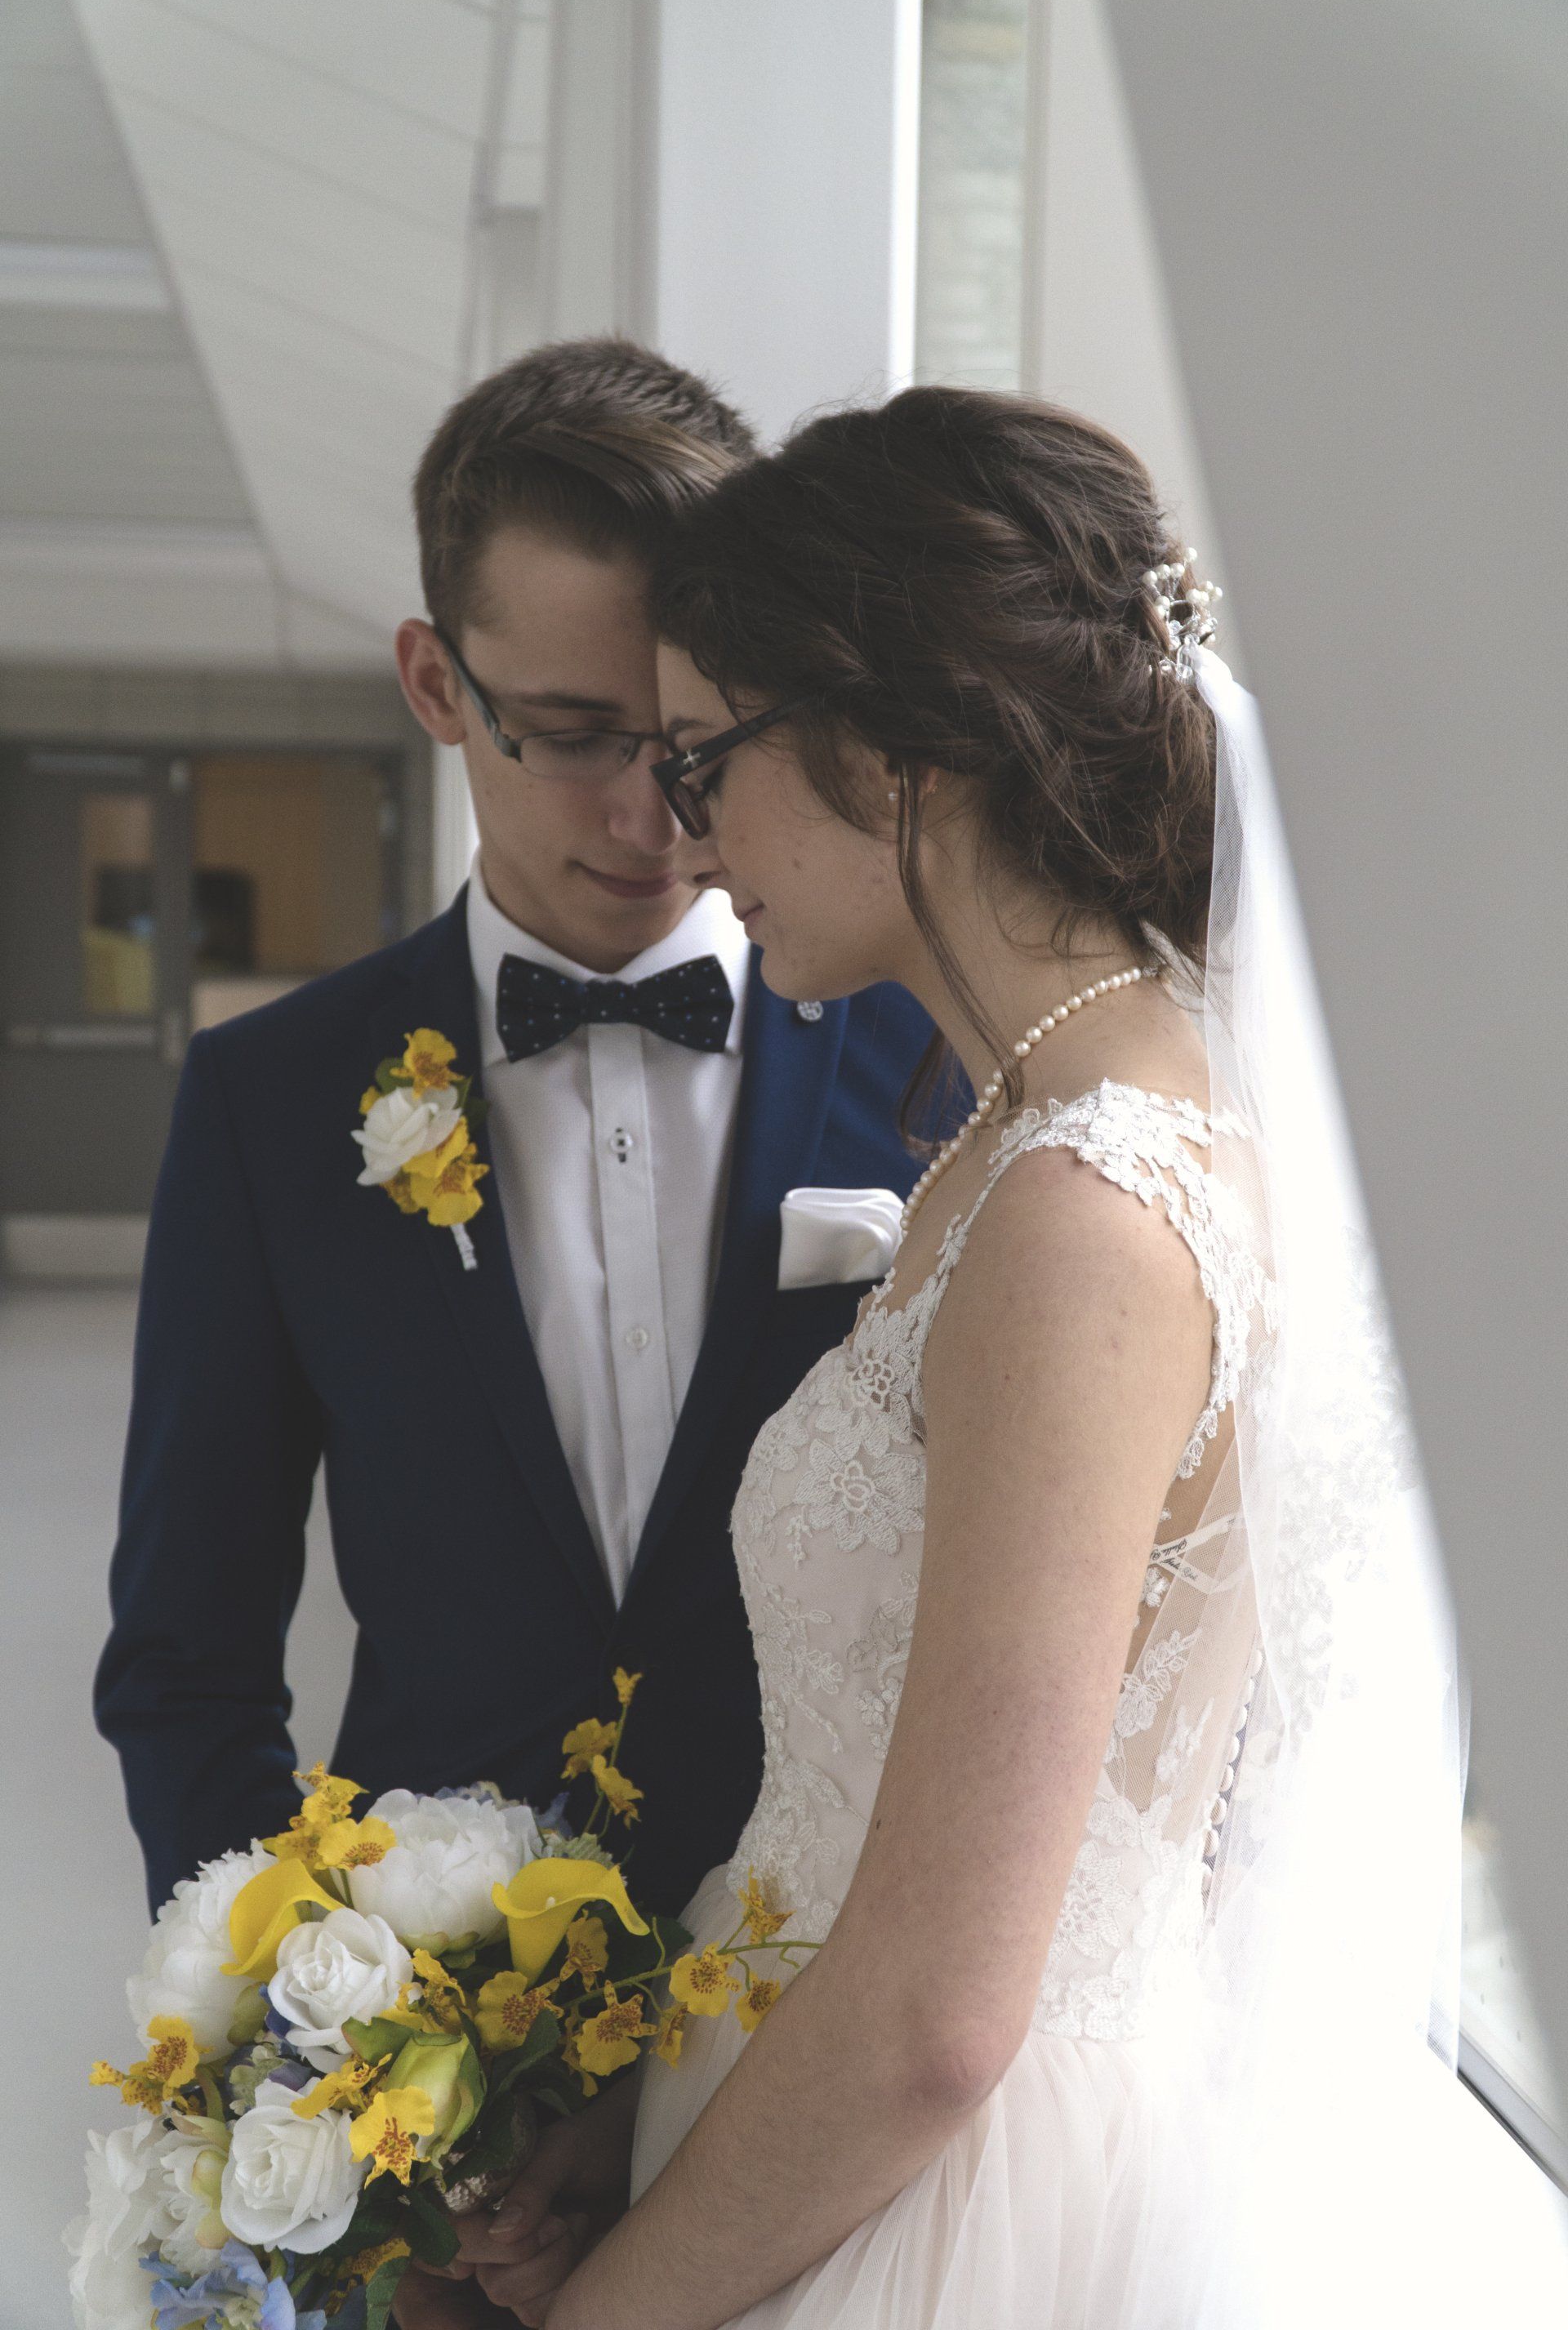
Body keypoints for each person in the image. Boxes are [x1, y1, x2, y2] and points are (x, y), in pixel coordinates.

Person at [458, 386, 1497, 2327]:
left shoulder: (1086, 1212)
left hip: (957, 2206)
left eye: (706, 763)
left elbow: (941, 2012)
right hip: (812, 2130)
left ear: (892, 752)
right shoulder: (1029, 1133)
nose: (681, 832)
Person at [95, 341, 934, 2318]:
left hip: (819, 2090)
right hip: (440, 2134)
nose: (648, 812)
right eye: (568, 734)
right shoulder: (271, 1104)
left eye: (691, 740)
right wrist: (332, 2058)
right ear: (431, 680)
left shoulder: (924, 1058)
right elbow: (187, 1658)